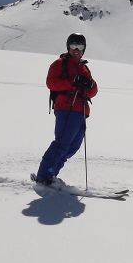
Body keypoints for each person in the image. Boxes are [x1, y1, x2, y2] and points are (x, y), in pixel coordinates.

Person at [35, 33, 98, 185]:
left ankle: (52, 174)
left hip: (81, 111)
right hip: (66, 108)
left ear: (84, 50)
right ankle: (44, 175)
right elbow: (51, 83)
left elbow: (93, 91)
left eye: (80, 47)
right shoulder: (59, 64)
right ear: (68, 47)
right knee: (62, 142)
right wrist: (71, 83)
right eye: (73, 46)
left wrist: (89, 85)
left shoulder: (84, 68)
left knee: (73, 146)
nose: (76, 50)